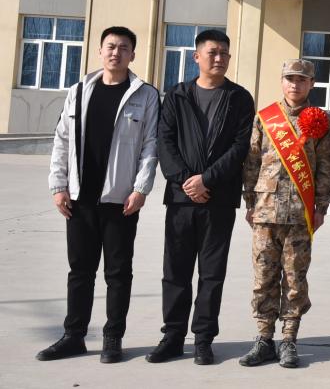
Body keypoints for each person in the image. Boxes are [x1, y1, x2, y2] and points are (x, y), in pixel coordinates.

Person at [39, 26, 160, 364]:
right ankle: (73, 335)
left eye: (123, 48)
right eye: (110, 46)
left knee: (118, 272)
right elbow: (61, 139)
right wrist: (58, 186)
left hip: (120, 201)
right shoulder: (79, 91)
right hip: (79, 198)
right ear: (99, 51)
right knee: (80, 270)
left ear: (132, 55)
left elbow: (151, 146)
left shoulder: (145, 94)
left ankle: (112, 337)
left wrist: (140, 189)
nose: (115, 53)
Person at [147, 29, 255, 365]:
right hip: (180, 200)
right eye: (212, 52)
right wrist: (186, 182)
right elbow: (164, 143)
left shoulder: (239, 98)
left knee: (212, 273)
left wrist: (207, 179)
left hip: (219, 199)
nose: (219, 58)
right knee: (176, 270)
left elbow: (240, 147)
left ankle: (204, 338)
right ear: (197, 57)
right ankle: (173, 336)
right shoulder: (177, 96)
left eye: (224, 53)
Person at [238, 60, 330, 369]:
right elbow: (252, 161)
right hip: (265, 212)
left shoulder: (319, 120)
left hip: (300, 213)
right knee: (263, 278)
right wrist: (250, 203)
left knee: (295, 279)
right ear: (282, 81)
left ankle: (289, 340)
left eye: (302, 79)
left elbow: (325, 167)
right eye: (290, 78)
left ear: (312, 84)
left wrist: (321, 207)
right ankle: (264, 339)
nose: (295, 84)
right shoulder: (265, 118)